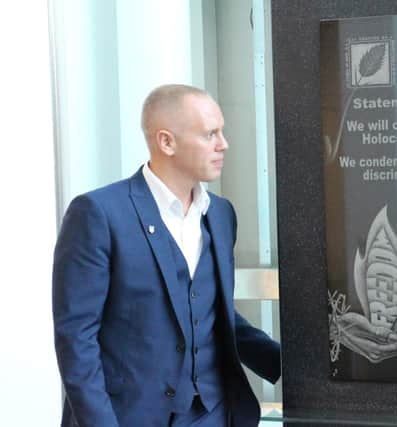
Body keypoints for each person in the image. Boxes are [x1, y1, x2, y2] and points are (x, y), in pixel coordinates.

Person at [53, 84, 281, 427]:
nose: (224, 144)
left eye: (222, 132)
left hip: (215, 413)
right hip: (131, 416)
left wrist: (291, 370)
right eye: (210, 134)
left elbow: (211, 312)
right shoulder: (98, 213)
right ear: (166, 142)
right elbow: (76, 339)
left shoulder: (221, 214)